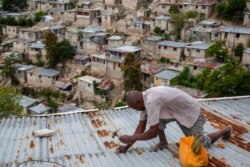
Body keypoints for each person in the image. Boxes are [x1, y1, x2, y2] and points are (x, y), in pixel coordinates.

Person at [117, 86, 231, 153]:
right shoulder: (143, 102)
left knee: (201, 145)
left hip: (188, 112)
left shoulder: (151, 101)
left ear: (138, 102)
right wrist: (126, 147)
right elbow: (141, 127)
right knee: (155, 121)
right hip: (174, 112)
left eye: (135, 108)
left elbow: (152, 133)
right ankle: (163, 142)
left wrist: (130, 137)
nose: (136, 110)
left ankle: (225, 130)